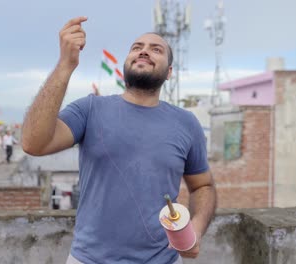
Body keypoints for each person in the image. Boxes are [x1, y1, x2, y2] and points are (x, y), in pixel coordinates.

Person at [22, 17, 217, 264]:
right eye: (137, 47)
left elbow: (203, 186)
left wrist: (196, 229)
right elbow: (32, 143)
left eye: (156, 49)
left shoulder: (187, 123)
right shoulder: (89, 108)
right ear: (127, 61)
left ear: (169, 72)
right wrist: (65, 65)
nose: (144, 51)